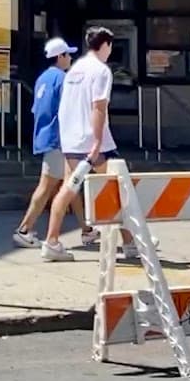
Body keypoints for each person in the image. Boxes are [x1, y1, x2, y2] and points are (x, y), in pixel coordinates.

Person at [40, 27, 150, 263]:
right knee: (120, 190)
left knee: (68, 190)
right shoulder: (101, 71)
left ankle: (51, 240)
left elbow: (65, 107)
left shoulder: (74, 70)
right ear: (107, 45)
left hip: (71, 140)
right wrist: (98, 141)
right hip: (94, 143)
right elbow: (99, 107)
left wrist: (68, 137)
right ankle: (131, 243)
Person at [13, 37, 91, 248]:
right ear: (60, 57)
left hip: (47, 136)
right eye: (67, 54)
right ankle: (24, 229)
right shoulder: (62, 79)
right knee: (48, 186)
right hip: (60, 139)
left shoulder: (42, 79)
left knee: (71, 183)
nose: (70, 58)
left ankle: (86, 229)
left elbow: (38, 109)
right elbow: (69, 109)